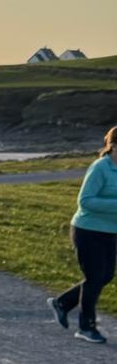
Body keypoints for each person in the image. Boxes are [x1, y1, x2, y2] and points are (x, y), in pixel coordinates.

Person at [49, 127, 117, 344]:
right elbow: (85, 201)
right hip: (87, 230)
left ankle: (62, 303)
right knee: (96, 276)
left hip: (110, 232)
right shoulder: (100, 167)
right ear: (113, 145)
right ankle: (86, 327)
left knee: (105, 276)